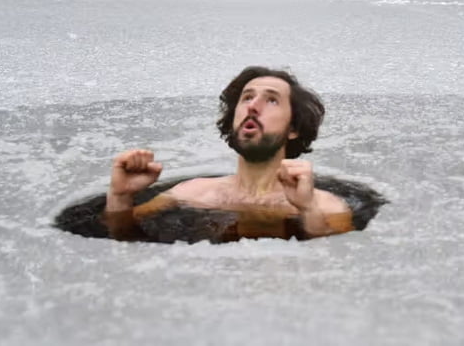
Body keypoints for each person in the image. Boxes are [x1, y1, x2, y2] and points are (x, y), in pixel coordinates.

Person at [103, 66, 353, 242]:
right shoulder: (191, 193)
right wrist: (120, 196)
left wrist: (308, 211)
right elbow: (123, 240)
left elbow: (336, 265)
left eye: (272, 100)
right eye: (247, 98)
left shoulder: (326, 206)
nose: (253, 106)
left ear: (294, 128)